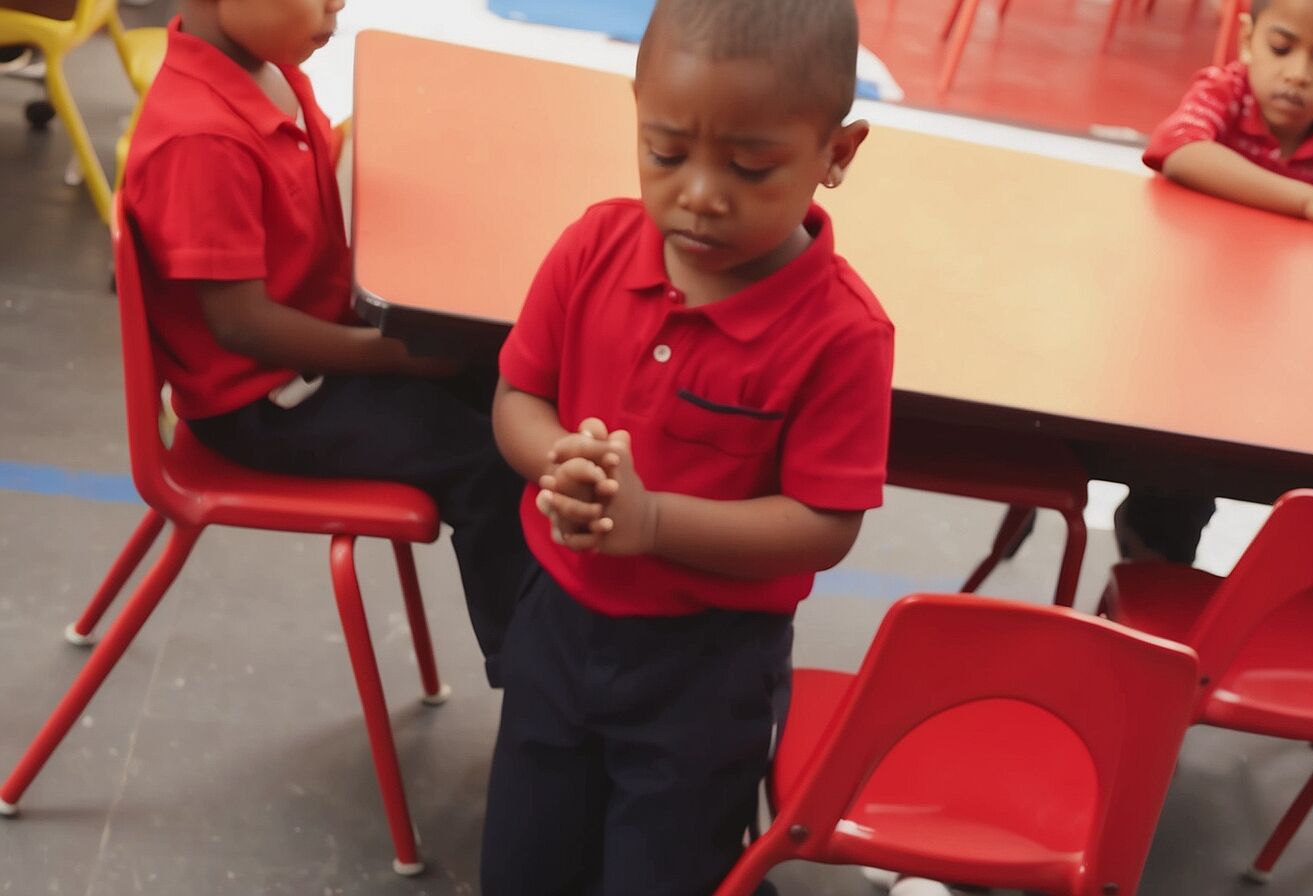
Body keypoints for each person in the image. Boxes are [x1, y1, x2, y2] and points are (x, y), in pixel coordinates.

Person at [477, 1, 895, 892]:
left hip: (710, 664)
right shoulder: (592, 247)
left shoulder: (842, 334)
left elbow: (824, 522)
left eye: (750, 166)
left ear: (839, 154)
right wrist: (558, 459)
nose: (700, 192)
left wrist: (655, 521)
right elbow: (520, 396)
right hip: (555, 618)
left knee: (664, 872)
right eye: (666, 153)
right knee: (523, 861)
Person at [120, 0, 527, 687]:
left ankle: (583, 637)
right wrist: (393, 353)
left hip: (313, 352)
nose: (336, 3)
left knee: (516, 371)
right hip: (263, 403)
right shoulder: (201, 139)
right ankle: (534, 685)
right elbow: (242, 325)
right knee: (492, 461)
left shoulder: (265, 67)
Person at [1119, 0, 1313, 564]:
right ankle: (1151, 571)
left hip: (1299, 356)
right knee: (1176, 477)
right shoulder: (1226, 90)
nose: (1298, 74)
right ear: (1247, 38)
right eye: (1281, 48)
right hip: (1202, 336)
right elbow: (1179, 150)